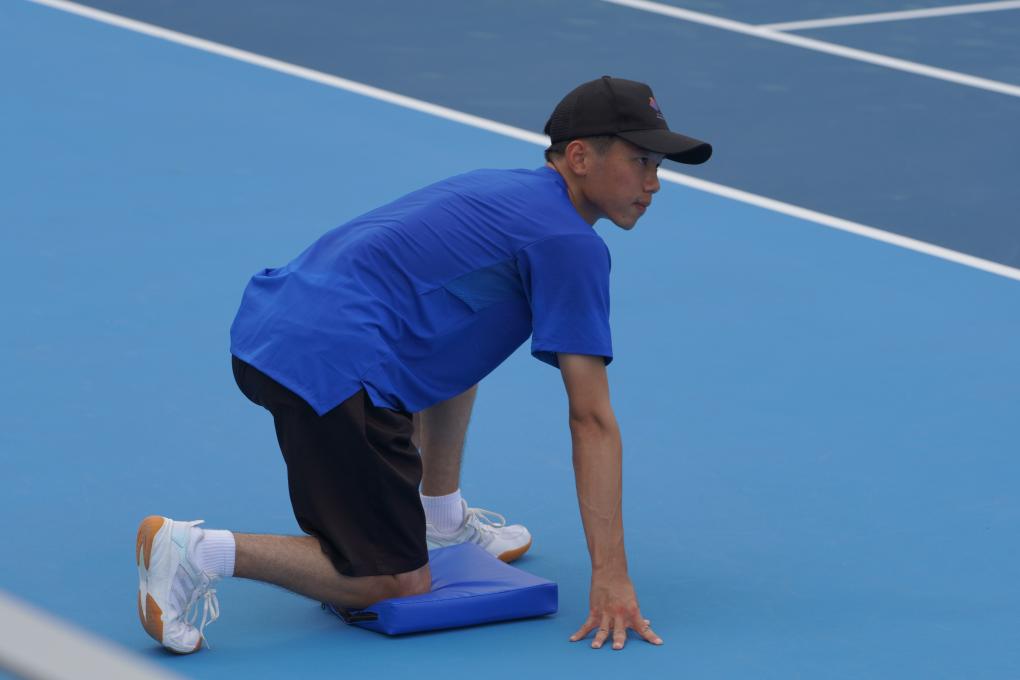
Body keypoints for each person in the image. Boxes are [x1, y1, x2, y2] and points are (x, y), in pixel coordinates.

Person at [135, 76, 712, 654]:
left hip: (275, 329)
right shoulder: (570, 244)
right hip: (331, 369)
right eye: (640, 161)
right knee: (395, 583)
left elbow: (456, 348)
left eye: (658, 166)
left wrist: (437, 509)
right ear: (580, 157)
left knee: (462, 336)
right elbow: (592, 420)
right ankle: (195, 551)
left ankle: (441, 519)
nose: (654, 183)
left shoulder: (503, 190)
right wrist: (610, 576)